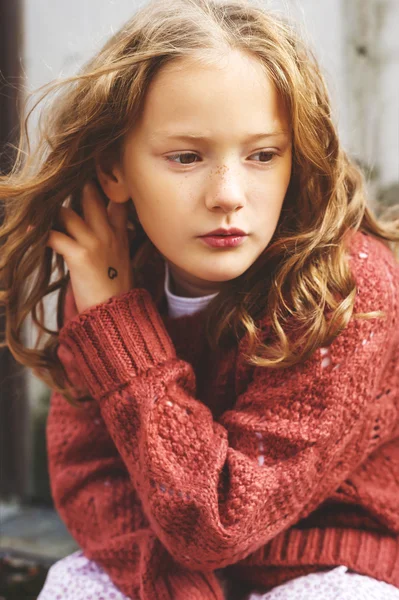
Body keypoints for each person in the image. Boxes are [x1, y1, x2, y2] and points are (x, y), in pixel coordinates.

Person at [0, 0, 398, 598]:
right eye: (186, 157)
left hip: (327, 564)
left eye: (263, 155)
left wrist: (119, 333)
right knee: (73, 586)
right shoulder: (109, 282)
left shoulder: (346, 289)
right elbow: (91, 480)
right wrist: (172, 588)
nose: (228, 195)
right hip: (173, 564)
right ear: (115, 171)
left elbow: (220, 520)